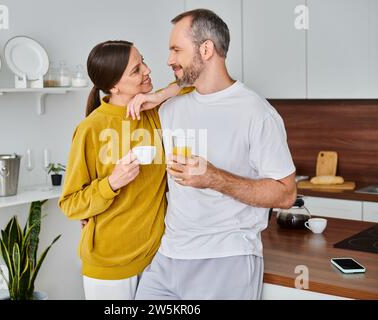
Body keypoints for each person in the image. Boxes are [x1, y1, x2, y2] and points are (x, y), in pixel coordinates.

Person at [134, 9, 297, 300]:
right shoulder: (170, 109)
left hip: (226, 258)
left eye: (176, 50)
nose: (169, 59)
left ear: (206, 49)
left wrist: (214, 178)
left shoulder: (257, 113)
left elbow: (285, 195)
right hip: (167, 258)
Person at [58, 40, 189, 300]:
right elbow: (71, 204)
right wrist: (112, 183)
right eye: (136, 70)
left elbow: (197, 83)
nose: (148, 70)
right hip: (109, 267)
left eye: (144, 62)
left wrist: (160, 95)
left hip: (157, 259)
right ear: (114, 85)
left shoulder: (154, 112)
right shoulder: (91, 129)